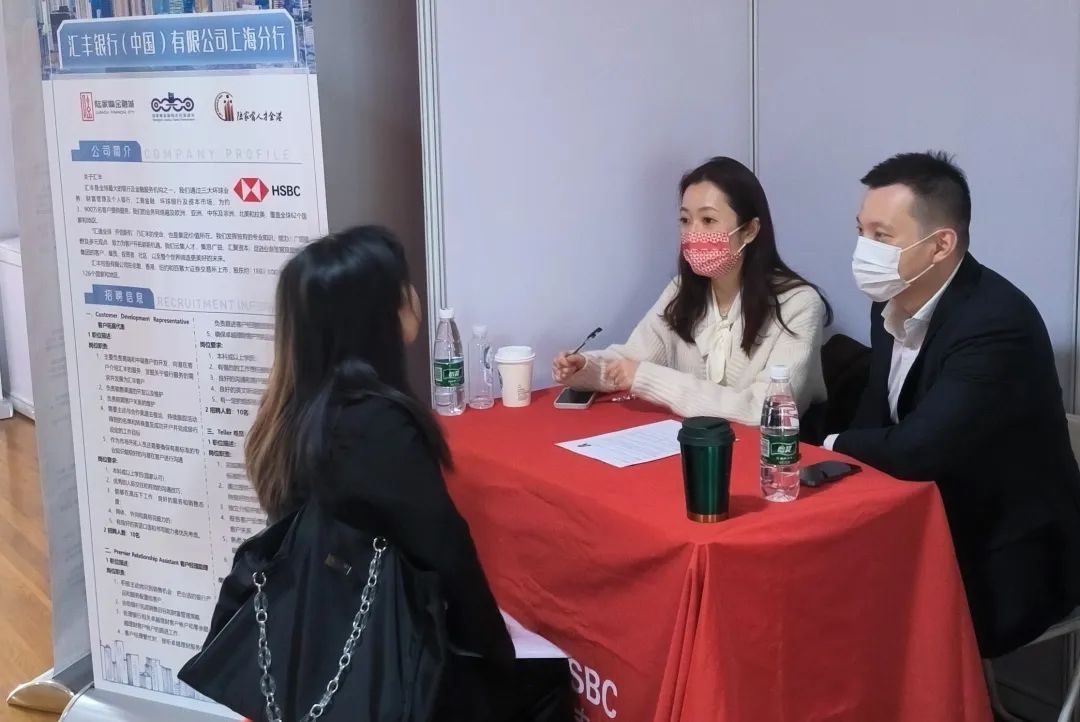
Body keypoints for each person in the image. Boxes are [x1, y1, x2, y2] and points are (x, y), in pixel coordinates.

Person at [245, 226, 572, 720]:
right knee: (544, 683)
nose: (415, 294)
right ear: (376, 315)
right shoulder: (372, 424)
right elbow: (446, 554)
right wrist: (498, 658)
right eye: (404, 285)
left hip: (315, 642)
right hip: (379, 661)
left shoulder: (294, 411)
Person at [825, 151, 1080, 658]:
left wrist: (830, 445)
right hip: (927, 519)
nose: (863, 250)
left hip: (1010, 553)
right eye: (861, 231)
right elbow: (876, 414)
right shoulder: (890, 302)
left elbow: (917, 450)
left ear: (941, 245)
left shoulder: (995, 323)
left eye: (882, 236)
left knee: (858, 622)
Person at [552, 156, 830, 426]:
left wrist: (647, 378)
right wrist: (584, 367)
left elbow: (763, 411)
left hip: (770, 451)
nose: (692, 234)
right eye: (685, 220)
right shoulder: (680, 291)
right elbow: (632, 359)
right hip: (694, 442)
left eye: (708, 220)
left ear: (749, 230)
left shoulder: (799, 304)